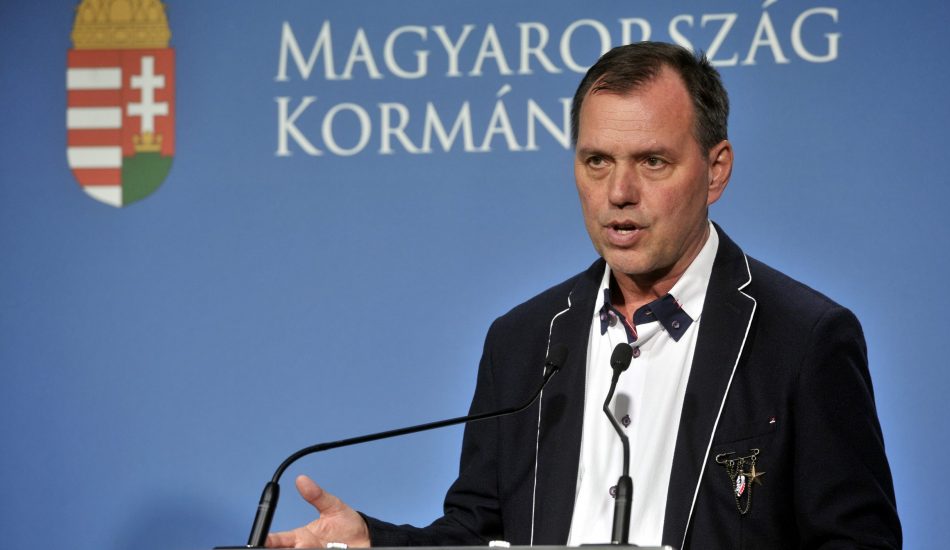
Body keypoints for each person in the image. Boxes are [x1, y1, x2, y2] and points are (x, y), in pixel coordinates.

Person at [266, 42, 902, 549]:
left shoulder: (802, 338)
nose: (619, 193)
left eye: (652, 161)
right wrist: (374, 543)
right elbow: (479, 535)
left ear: (715, 171)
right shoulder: (523, 341)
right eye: (597, 160)